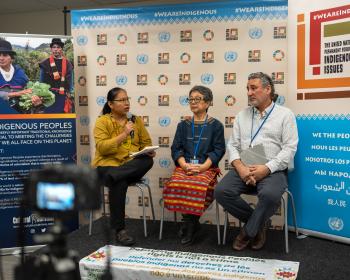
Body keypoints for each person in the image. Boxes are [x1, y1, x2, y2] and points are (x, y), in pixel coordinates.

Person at [214, 72, 298, 251]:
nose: (249, 92)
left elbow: (290, 149)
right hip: (244, 165)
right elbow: (233, 145)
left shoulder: (285, 115)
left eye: (254, 88)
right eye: (247, 89)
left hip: (273, 168)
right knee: (221, 191)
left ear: (268, 89)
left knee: (269, 195)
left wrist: (266, 168)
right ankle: (258, 225)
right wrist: (240, 167)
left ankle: (247, 232)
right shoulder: (241, 115)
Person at [163, 85, 226, 245]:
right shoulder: (183, 125)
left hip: (206, 167)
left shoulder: (216, 125)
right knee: (178, 182)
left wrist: (204, 167)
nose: (193, 102)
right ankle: (191, 223)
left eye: (197, 99)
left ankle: (190, 224)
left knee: (196, 185)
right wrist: (184, 165)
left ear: (208, 102)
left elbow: (219, 149)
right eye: (190, 99)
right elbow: (176, 148)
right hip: (185, 166)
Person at [92, 87, 155, 246]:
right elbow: (102, 148)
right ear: (111, 104)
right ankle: (120, 231)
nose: (126, 103)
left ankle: (116, 175)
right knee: (119, 181)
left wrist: (148, 151)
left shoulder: (135, 120)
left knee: (147, 161)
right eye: (122, 100)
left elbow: (146, 143)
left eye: (127, 99)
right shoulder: (103, 121)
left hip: (130, 165)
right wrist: (124, 134)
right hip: (107, 166)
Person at [0, 39, 41, 113]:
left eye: (5, 55)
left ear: (11, 58)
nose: (1, 58)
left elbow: (28, 90)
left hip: (18, 114)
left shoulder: (20, 73)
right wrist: (18, 93)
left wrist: (36, 100)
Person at [39, 38, 74, 113]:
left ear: (61, 49)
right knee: (49, 119)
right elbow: (41, 81)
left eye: (58, 47)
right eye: (54, 47)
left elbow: (70, 81)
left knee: (62, 119)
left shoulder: (68, 64)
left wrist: (69, 92)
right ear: (51, 49)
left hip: (62, 96)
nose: (56, 49)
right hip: (48, 96)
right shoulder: (45, 63)